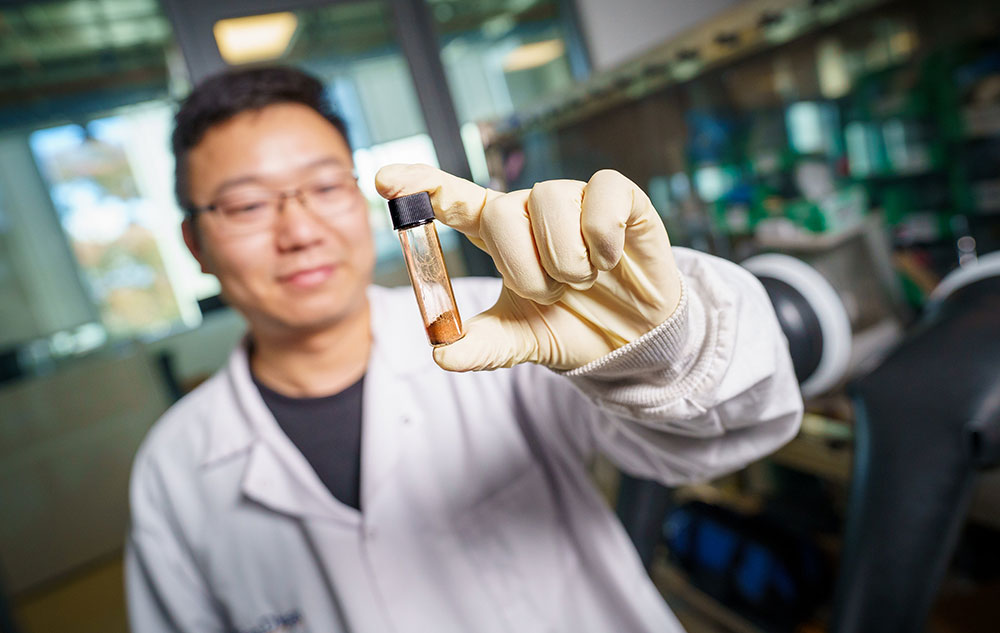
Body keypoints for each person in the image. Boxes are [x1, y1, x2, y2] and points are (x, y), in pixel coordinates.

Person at [126, 66, 802, 633]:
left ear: (364, 202)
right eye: (246, 205)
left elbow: (718, 437)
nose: (299, 229)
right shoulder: (175, 471)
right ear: (195, 245)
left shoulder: (506, 328)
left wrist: (661, 344)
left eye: (326, 186)